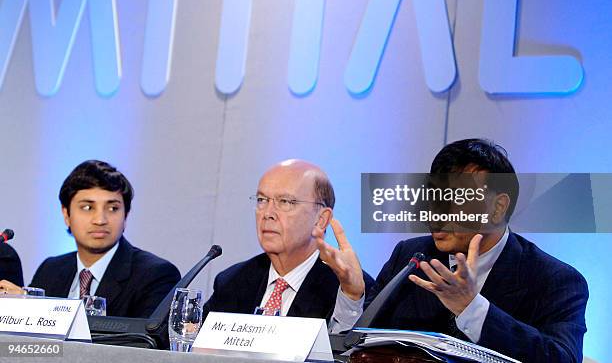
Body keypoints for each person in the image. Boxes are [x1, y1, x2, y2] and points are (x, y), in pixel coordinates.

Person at [325, 139, 588, 363]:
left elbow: (562, 358)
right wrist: (352, 295)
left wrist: (471, 308)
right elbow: (355, 347)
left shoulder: (555, 280)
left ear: (497, 208)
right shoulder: (410, 256)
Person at [0, 160, 180, 318]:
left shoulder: (156, 275)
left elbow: (141, 347)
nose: (100, 220)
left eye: (113, 208)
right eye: (87, 208)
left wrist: (37, 310)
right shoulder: (51, 270)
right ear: (66, 214)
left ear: (126, 215)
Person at [203, 159, 374, 325]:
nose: (268, 213)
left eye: (285, 202)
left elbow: (343, 350)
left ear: (321, 219)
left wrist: (351, 298)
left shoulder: (349, 289)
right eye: (262, 200)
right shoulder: (233, 281)